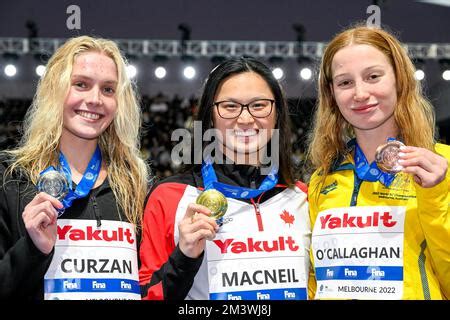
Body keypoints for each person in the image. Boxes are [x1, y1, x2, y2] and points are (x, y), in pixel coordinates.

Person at [139, 57, 312, 300]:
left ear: (277, 114)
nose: (245, 119)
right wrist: (184, 257)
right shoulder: (169, 197)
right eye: (230, 106)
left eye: (259, 105)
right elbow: (146, 294)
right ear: (210, 117)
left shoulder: (304, 197)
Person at [0, 36, 150, 299]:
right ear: (54, 90)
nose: (95, 99)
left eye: (108, 89)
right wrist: (32, 250)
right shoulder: (10, 178)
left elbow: (148, 285)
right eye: (81, 84)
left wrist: (184, 255)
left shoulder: (134, 184)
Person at [307, 25, 450, 300]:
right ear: (332, 94)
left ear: (400, 79)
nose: (360, 93)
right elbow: (316, 282)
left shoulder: (442, 165)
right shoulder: (323, 179)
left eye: (373, 76)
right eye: (345, 82)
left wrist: (435, 195)